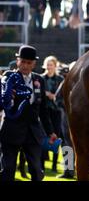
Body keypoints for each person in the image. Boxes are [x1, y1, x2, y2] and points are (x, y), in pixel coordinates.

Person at [0, 45, 57, 181]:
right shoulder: (8, 76)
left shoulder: (39, 80)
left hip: (32, 132)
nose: (25, 65)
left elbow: (43, 109)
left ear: (34, 64)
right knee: (8, 170)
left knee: (37, 170)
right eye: (23, 61)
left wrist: (50, 131)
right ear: (18, 61)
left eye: (29, 62)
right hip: (11, 130)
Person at [41, 55, 64, 173]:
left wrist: (53, 96)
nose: (49, 67)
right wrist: (45, 94)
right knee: (43, 137)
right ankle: (42, 165)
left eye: (51, 65)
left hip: (56, 112)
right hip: (44, 112)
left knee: (56, 137)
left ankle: (55, 165)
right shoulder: (40, 78)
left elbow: (62, 96)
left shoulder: (60, 79)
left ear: (55, 66)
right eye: (48, 65)